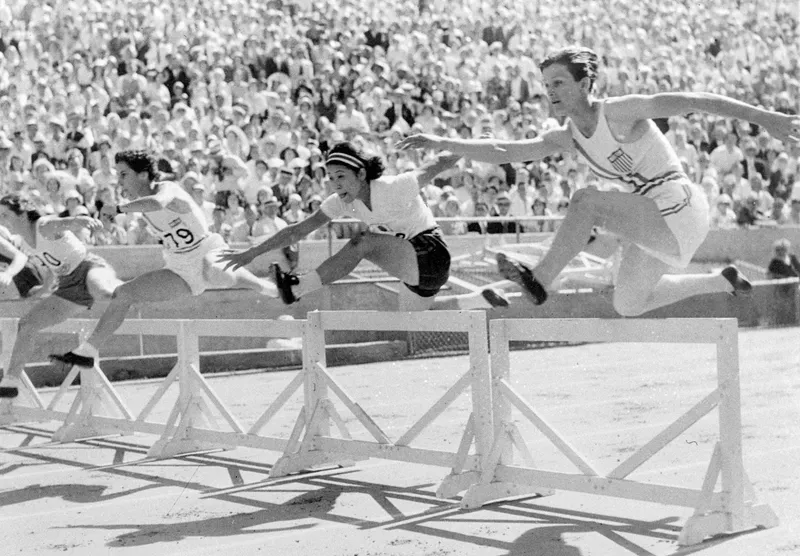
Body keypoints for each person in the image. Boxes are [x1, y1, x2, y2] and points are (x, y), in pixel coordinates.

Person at [400, 46, 800, 316]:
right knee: (628, 303)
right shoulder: (567, 136)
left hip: (679, 206)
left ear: (584, 83)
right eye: (546, 85)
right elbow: (506, 150)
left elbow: (695, 101)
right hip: (654, 220)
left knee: (587, 201)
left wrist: (768, 119)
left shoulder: (621, 112)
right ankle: (719, 279)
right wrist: (440, 140)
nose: (550, 92)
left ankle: (540, 279)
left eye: (558, 83)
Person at [49, 150, 278, 369]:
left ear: (143, 174)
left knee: (214, 272)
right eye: (118, 175)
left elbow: (158, 202)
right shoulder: (141, 205)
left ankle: (268, 287)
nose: (119, 181)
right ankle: (87, 352)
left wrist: (119, 208)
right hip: (179, 266)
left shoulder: (166, 188)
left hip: (207, 249)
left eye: (124, 174)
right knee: (124, 294)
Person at [217, 142, 508, 311]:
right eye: (331, 177)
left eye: (341, 176)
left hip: (431, 252)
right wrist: (250, 254)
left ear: (360, 173)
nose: (336, 184)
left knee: (364, 241)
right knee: (419, 313)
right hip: (414, 266)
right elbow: (297, 230)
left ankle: (299, 287)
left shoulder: (394, 186)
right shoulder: (343, 201)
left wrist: (480, 143)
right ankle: (477, 299)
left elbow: (441, 162)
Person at [0, 194, 123, 398]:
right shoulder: (25, 241)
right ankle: (11, 380)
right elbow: (50, 268)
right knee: (27, 324)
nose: (3, 221)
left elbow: (67, 222)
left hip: (88, 267)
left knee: (104, 293)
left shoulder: (43, 225)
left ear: (22, 214)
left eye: (5, 215)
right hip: (67, 286)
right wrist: (42, 291)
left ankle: (132, 290)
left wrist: (84, 220)